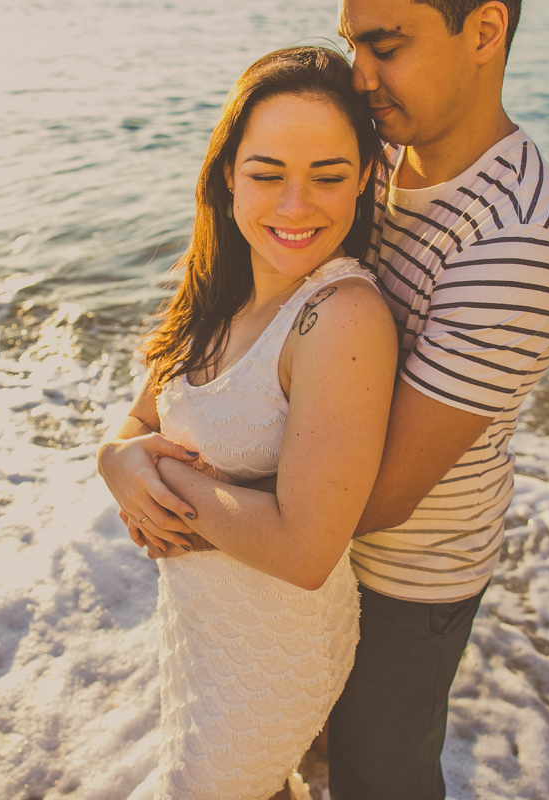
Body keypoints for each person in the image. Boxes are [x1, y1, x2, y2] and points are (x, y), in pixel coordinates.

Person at [103, 1, 549, 798]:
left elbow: (372, 500)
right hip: (271, 577)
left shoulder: (518, 240)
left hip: (405, 576)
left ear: (485, 31)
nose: (360, 76)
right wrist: (121, 457)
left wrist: (160, 482)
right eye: (351, 44)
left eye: (385, 46)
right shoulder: (375, 149)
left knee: (376, 780)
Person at [98, 47, 397, 799]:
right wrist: (115, 460)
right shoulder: (217, 291)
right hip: (202, 626)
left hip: (274, 650)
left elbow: (305, 549)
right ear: (229, 173)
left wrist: (157, 482)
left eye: (328, 176)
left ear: (365, 177)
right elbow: (137, 419)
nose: (296, 207)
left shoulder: (342, 317)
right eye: (267, 175)